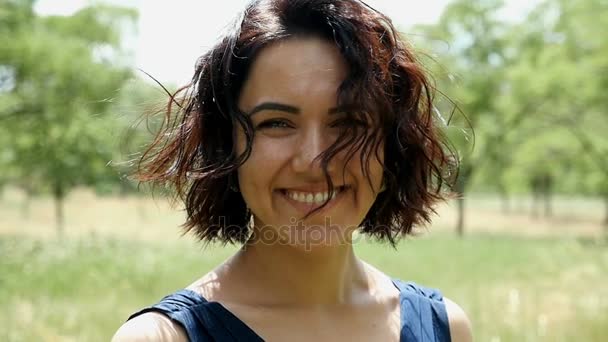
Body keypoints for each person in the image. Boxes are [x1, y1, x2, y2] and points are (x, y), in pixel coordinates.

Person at [113, 0, 472, 341]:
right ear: (227, 146)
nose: (314, 160)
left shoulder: (446, 329)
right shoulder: (162, 337)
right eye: (277, 123)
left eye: (346, 122)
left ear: (390, 148)